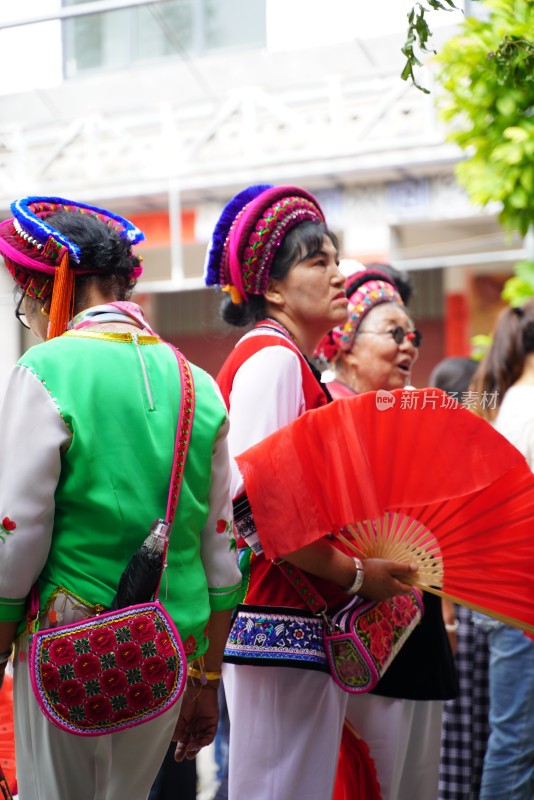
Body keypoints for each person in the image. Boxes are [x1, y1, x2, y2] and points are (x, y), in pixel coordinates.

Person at [0, 196, 242, 800]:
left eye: (23, 292)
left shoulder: (48, 370)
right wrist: (206, 679)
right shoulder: (198, 384)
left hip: (68, 642)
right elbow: (221, 557)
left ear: (51, 286)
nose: (24, 310)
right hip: (164, 650)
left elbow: (16, 537)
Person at [204, 184, 418, 800]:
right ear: (272, 288)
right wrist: (355, 575)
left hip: (292, 619)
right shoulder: (272, 360)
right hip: (280, 615)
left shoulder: (284, 360)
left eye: (336, 258)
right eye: (318, 261)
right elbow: (254, 508)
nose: (338, 275)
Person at [316, 267, 458, 800]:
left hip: (417, 633)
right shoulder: (322, 411)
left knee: (416, 785)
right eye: (394, 334)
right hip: (353, 635)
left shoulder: (415, 415)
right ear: (346, 344)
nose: (409, 348)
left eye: (413, 337)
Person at [469, 301, 534, 800]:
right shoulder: (526, 405)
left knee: (513, 738)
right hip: (520, 596)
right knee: (516, 743)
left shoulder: (510, 402)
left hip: (506, 594)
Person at [430, 357, 490, 800]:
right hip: (456, 612)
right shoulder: (442, 457)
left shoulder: (469, 451)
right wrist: (448, 616)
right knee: (462, 729)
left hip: (470, 608)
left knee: (472, 726)